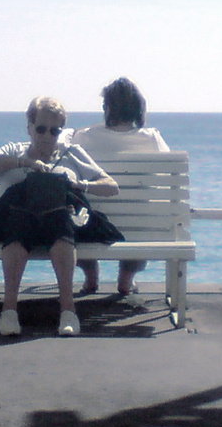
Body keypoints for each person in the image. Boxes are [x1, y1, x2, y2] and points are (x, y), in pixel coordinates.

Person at [0, 96, 120, 337]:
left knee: (59, 217)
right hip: (19, 223)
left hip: (60, 224)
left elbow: (111, 185)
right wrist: (25, 163)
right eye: (41, 128)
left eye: (54, 131)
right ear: (29, 128)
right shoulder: (15, 150)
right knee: (19, 219)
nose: (46, 136)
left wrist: (81, 185)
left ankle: (68, 310)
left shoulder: (71, 152)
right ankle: (9, 310)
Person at [68, 77, 169, 296]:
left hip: (93, 227)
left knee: (80, 211)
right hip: (141, 229)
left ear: (109, 108)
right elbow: (166, 176)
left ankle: (91, 277)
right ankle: (126, 279)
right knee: (140, 216)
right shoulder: (152, 139)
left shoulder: (85, 137)